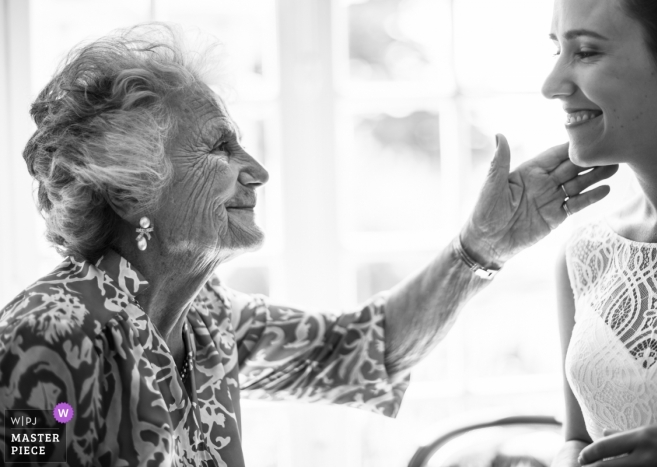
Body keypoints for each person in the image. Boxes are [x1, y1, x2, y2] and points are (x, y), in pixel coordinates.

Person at [0, 24, 616, 466]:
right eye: (220, 147)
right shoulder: (46, 336)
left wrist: (481, 246)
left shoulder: (208, 318)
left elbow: (362, 351)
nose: (257, 170)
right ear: (136, 189)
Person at [545, 0, 657, 465]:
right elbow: (575, 439)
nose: (551, 84)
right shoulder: (586, 250)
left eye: (586, 52)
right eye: (555, 50)